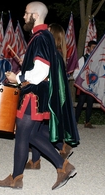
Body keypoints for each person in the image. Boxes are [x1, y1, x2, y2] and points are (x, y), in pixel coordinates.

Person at [0, 1, 77, 190]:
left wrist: (19, 77)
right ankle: (25, 174)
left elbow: (41, 70)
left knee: (24, 134)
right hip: (39, 93)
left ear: (35, 15)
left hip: (33, 94)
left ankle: (23, 176)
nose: (24, 16)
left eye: (26, 13)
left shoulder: (40, 37)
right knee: (31, 134)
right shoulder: (43, 36)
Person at [25, 23, 79, 170]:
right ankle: (35, 161)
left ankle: (61, 161)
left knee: (31, 132)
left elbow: (43, 76)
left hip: (44, 97)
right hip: (49, 97)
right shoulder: (57, 54)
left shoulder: (51, 54)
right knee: (39, 128)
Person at [73, 40, 97, 128]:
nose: (95, 49)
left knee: (90, 103)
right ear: (88, 48)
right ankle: (74, 121)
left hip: (92, 86)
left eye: (96, 47)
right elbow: (76, 72)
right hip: (83, 86)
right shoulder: (83, 59)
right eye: (93, 47)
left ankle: (87, 122)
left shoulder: (97, 59)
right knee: (81, 103)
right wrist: (80, 82)